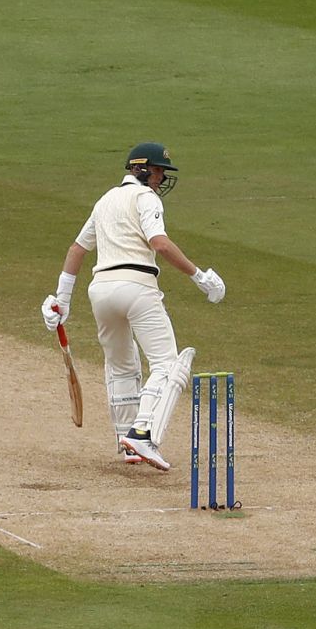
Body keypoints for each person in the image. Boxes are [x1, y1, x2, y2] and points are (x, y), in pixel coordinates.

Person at [40, 143, 225, 469]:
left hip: (101, 292)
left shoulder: (105, 200)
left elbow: (77, 249)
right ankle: (142, 434)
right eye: (158, 171)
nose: (161, 178)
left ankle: (126, 440)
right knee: (168, 366)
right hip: (137, 287)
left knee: (122, 367)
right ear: (141, 169)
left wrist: (61, 299)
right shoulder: (145, 198)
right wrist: (200, 277)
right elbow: (160, 243)